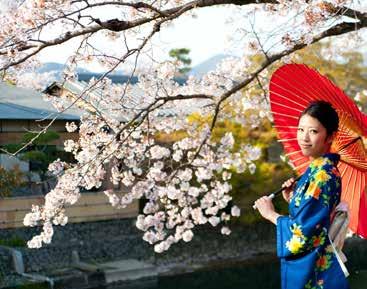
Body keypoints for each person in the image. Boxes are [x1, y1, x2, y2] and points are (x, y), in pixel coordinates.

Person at [254, 100, 350, 289]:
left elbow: (305, 232)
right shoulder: (317, 170)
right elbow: (311, 214)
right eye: (300, 130)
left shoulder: (322, 175)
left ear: (330, 136)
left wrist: (270, 214)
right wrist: (293, 200)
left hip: (314, 271)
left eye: (313, 131)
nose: (304, 138)